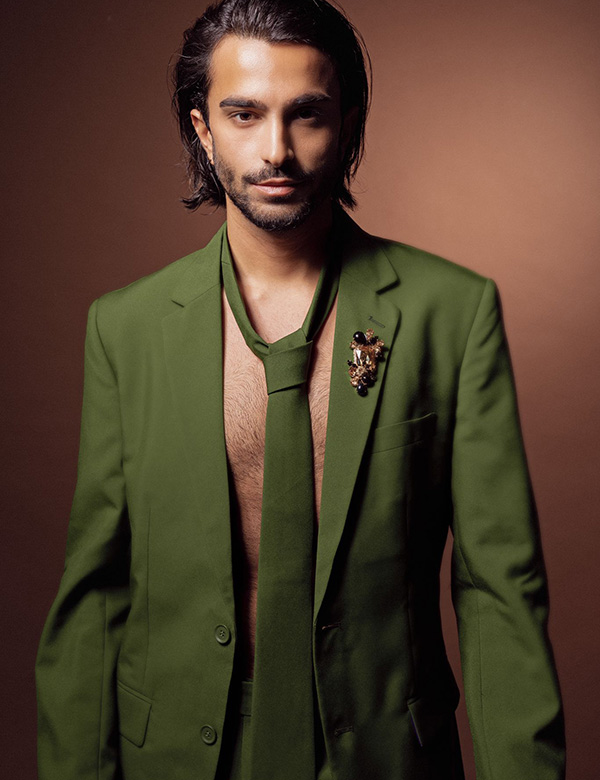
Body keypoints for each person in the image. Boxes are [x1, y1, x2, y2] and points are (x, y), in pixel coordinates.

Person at [35, 1, 566, 779]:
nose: (276, 150)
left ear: (347, 127)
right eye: (244, 114)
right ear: (202, 129)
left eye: (306, 114)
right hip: (180, 756)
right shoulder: (126, 329)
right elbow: (96, 593)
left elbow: (499, 590)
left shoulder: (451, 312)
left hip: (383, 756)